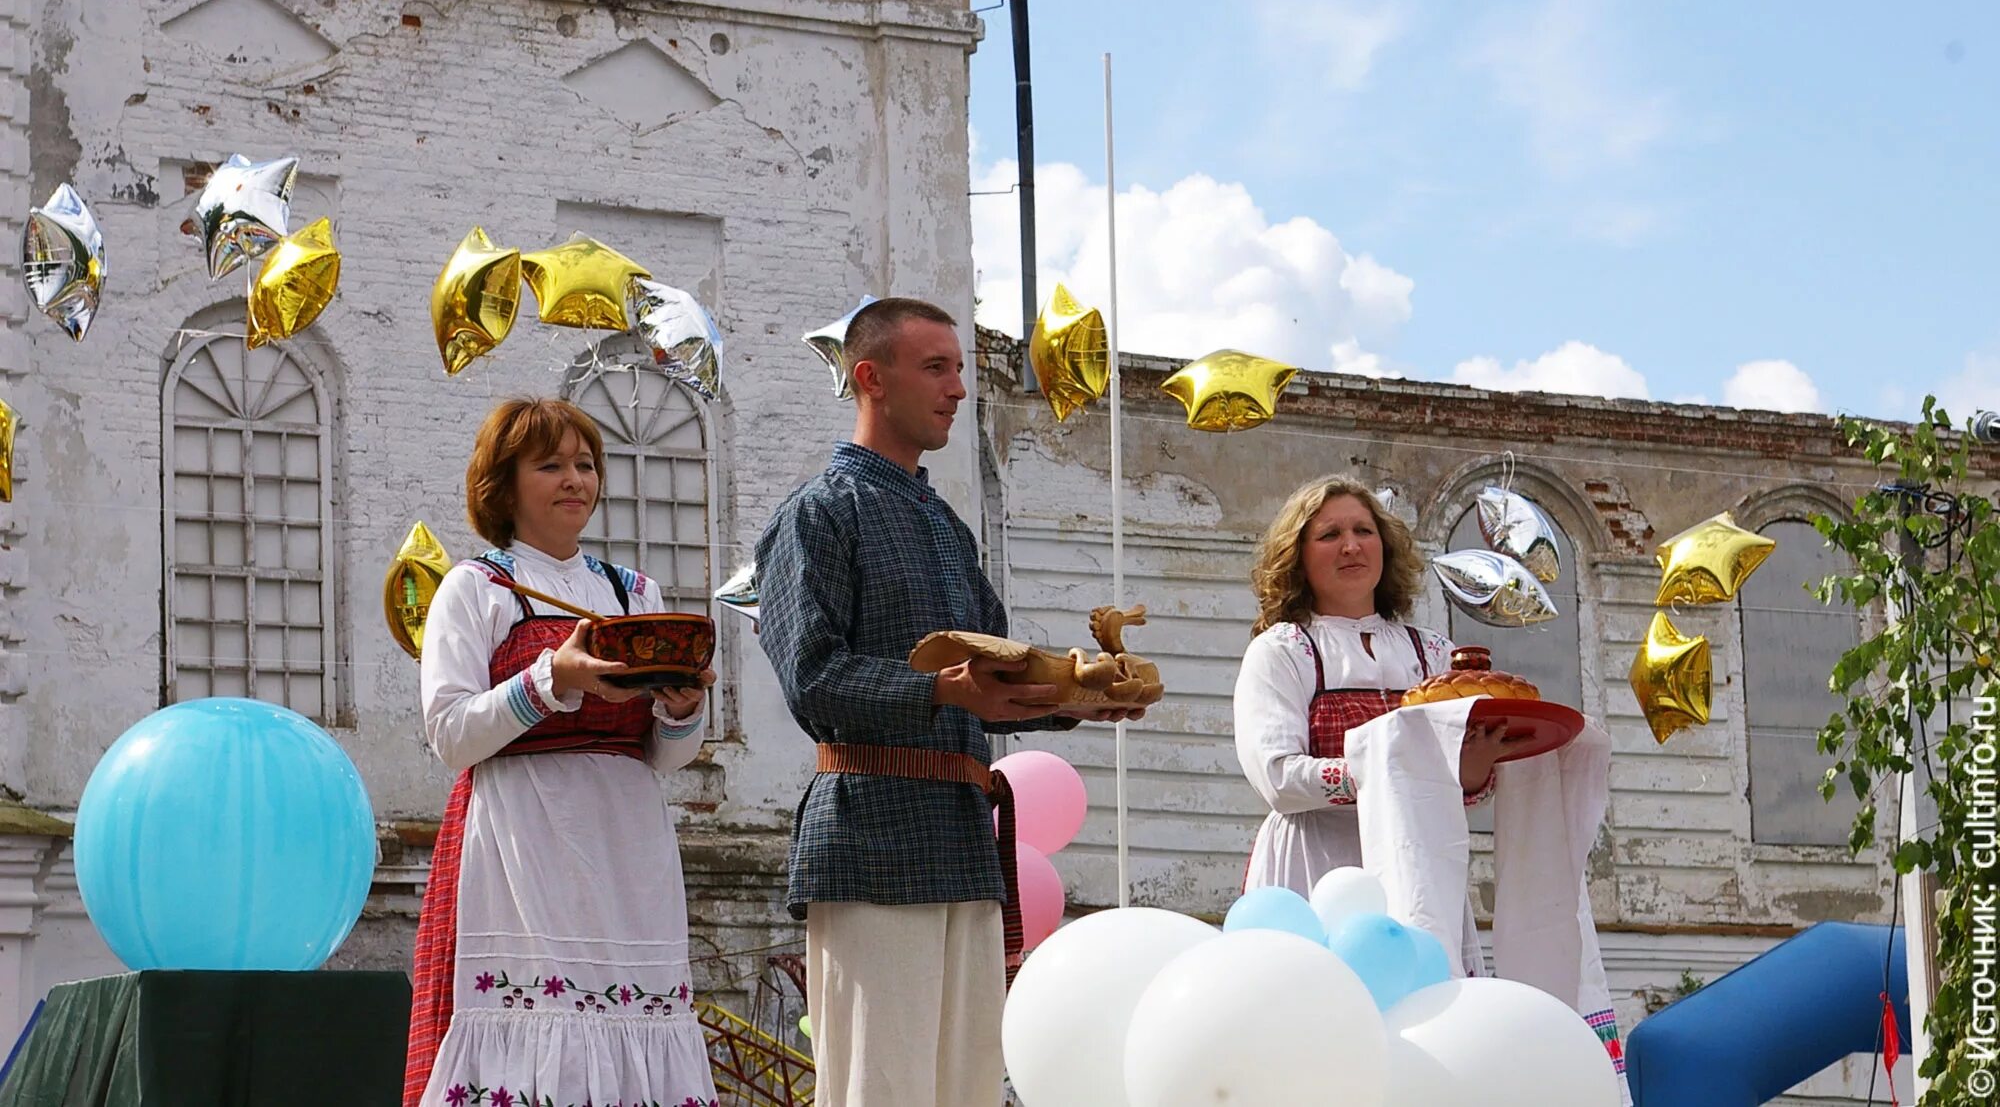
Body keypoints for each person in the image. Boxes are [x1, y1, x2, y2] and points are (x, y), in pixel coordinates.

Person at [755, 296, 1142, 1107]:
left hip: (963, 839)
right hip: (870, 833)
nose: (958, 387)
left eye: (959, 368)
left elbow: (995, 678)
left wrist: (1081, 696)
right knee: (881, 1090)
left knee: (966, 1090)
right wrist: (938, 687)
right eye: (936, 367)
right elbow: (812, 677)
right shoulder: (819, 511)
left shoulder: (946, 527)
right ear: (871, 377)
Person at [404, 398, 720, 1107]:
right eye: (550, 465)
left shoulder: (635, 593)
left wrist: (681, 709)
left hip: (627, 845)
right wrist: (552, 680)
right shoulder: (475, 588)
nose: (575, 479)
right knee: (532, 1026)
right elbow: (450, 732)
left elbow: (665, 757)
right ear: (503, 483)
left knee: (634, 1022)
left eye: (585, 464)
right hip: (523, 842)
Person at [1233, 477, 1513, 902]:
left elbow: (1458, 785)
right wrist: (1388, 770)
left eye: (1364, 531)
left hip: (1417, 863)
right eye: (1330, 535)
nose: (1351, 546)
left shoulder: (1434, 653)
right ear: (1297, 556)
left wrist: (1474, 767)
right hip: (1317, 864)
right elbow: (1278, 779)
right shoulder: (1282, 650)